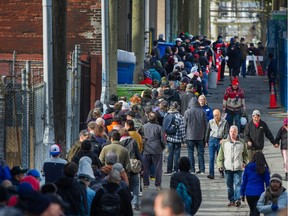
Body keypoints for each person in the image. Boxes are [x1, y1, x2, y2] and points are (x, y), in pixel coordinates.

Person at [217, 125, 248, 207]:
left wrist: (244, 162)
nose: (232, 133)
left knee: (238, 185)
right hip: (227, 168)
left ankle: (237, 199)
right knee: (229, 186)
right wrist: (220, 165)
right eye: (231, 132)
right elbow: (220, 156)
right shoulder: (224, 143)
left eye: (234, 132)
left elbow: (245, 154)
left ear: (237, 132)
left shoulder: (242, 142)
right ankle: (231, 200)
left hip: (238, 167)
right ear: (229, 132)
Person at [240, 152, 270, 216]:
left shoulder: (248, 167)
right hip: (259, 193)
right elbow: (268, 183)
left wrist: (242, 193)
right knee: (256, 212)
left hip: (249, 193)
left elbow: (244, 182)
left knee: (252, 210)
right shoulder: (263, 168)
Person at [142, 111, 166, 190]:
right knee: (158, 168)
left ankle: (146, 184)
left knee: (146, 168)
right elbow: (163, 139)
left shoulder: (143, 127)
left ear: (148, 118)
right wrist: (163, 147)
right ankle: (158, 185)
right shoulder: (159, 127)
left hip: (146, 148)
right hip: (157, 149)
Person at [184, 97, 207, 174]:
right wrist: (205, 135)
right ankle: (202, 169)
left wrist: (184, 136)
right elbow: (205, 124)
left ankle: (192, 169)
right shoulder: (202, 112)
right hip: (200, 136)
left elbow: (185, 125)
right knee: (200, 153)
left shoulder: (187, 112)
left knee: (190, 153)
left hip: (190, 136)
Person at [205, 109, 229, 179]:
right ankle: (211, 174)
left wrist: (224, 138)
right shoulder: (210, 122)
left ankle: (221, 172)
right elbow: (207, 131)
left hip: (220, 140)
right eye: (215, 115)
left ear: (220, 114)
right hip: (212, 140)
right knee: (211, 158)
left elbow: (227, 132)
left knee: (220, 158)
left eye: (217, 115)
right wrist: (206, 141)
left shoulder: (225, 122)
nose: (216, 117)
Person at [164, 102, 185, 175]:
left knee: (170, 155)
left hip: (169, 138)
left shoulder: (167, 115)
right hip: (177, 138)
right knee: (177, 155)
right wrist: (184, 139)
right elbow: (182, 129)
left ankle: (169, 170)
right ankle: (176, 170)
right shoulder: (180, 117)